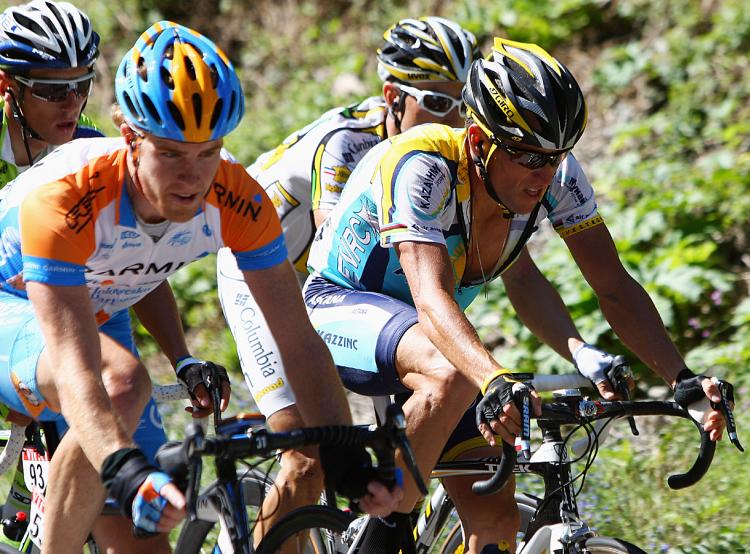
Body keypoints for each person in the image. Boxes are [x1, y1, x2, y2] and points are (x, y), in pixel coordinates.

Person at [304, 38, 729, 553]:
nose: (544, 173)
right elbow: (432, 298)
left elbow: (612, 286)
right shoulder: (424, 166)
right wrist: (494, 379)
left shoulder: (554, 176)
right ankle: (384, 517)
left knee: (498, 524)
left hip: (430, 337)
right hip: (340, 305)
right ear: (481, 141)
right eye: (528, 155)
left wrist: (680, 377)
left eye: (555, 155)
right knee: (453, 374)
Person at [0, 21, 400, 554]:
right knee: (120, 384)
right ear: (129, 135)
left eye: (207, 152)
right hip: (17, 298)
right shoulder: (67, 198)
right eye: (170, 154)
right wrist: (122, 469)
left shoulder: (238, 197)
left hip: (97, 305)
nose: (192, 177)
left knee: (145, 539)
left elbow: (299, 341)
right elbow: (77, 370)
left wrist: (342, 452)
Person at [216, 15, 481, 543]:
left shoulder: (442, 159)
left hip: (346, 289)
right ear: (392, 96)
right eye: (440, 103)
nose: (456, 120)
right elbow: (331, 258)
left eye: (465, 102)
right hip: (263, 273)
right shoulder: (346, 143)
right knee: (306, 452)